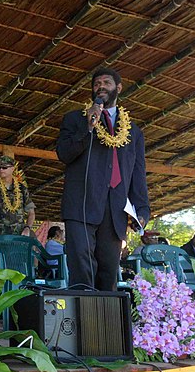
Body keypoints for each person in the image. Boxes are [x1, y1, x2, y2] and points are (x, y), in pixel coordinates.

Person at [57, 67, 150, 291]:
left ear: (118, 88)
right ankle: (83, 324)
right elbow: (64, 154)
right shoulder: (75, 119)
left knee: (108, 273)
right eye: (96, 83)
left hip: (115, 207)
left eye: (106, 82)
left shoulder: (133, 132)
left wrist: (142, 208)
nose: (100, 86)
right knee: (82, 269)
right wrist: (88, 127)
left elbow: (137, 172)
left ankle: (106, 325)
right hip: (82, 202)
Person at [0, 155, 36, 237]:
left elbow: (31, 213)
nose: (1, 170)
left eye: (4, 167)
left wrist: (27, 228)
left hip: (18, 234)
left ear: (12, 169)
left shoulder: (22, 189)